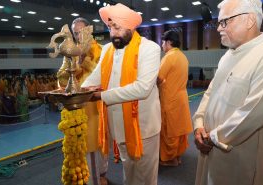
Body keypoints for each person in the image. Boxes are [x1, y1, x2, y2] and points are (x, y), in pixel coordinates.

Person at [192, 0, 263, 184]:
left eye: (224, 22)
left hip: (242, 157)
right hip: (210, 144)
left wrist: (212, 138)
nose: (218, 29)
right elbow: (210, 92)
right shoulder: (228, 54)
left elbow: (253, 114)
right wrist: (198, 123)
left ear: (249, 20)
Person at [81, 3, 161, 185]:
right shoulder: (108, 49)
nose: (113, 33)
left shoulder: (149, 49)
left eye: (117, 27)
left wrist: (102, 96)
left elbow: (142, 88)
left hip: (143, 127)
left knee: (145, 177)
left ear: (130, 26)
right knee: (129, 173)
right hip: (119, 126)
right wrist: (75, 92)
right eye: (110, 28)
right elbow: (96, 77)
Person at [56, 17, 108, 185]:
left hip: (98, 104)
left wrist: (83, 60)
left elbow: (102, 75)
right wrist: (76, 63)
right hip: (78, 106)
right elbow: (61, 78)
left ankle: (101, 174)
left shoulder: (102, 50)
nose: (78, 36)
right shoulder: (71, 52)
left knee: (100, 142)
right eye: (75, 33)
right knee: (84, 143)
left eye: (81, 32)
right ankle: (88, 178)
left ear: (89, 31)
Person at [157, 30, 193, 166]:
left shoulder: (169, 56)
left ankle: (170, 159)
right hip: (181, 98)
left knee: (169, 130)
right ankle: (177, 156)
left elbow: (159, 78)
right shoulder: (183, 56)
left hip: (170, 99)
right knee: (178, 129)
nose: (161, 45)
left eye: (163, 42)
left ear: (169, 42)